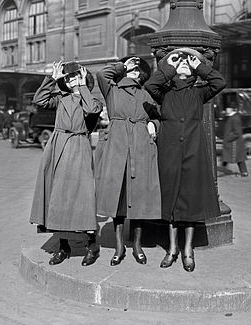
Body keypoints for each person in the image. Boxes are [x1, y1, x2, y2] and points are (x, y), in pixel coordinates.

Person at [145, 48, 226, 272]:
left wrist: (199, 65)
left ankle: (187, 250)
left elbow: (219, 82)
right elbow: (150, 85)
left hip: (193, 150)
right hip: (169, 151)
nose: (182, 65)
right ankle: (172, 249)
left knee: (189, 202)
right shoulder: (165, 92)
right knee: (171, 201)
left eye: (186, 64)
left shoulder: (199, 92)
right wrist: (168, 68)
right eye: (177, 64)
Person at [30, 60, 102, 267]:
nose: (71, 81)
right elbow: (40, 99)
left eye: (75, 77)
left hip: (79, 147)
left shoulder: (91, 99)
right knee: (57, 196)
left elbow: (92, 109)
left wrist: (82, 86)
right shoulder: (61, 99)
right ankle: (63, 247)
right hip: (58, 146)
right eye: (68, 78)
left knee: (81, 197)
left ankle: (91, 246)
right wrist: (51, 79)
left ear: (83, 78)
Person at [95, 56, 161, 266]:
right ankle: (119, 246)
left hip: (140, 147)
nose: (133, 73)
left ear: (141, 75)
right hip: (117, 147)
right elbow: (101, 74)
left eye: (136, 70)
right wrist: (122, 65)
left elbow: (160, 115)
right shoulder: (112, 90)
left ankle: (138, 246)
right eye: (130, 69)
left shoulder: (146, 94)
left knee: (139, 198)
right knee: (118, 199)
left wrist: (154, 125)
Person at [222, 107, 248, 177]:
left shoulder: (235, 118)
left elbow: (237, 132)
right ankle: (243, 171)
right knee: (237, 157)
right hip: (234, 142)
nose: (226, 109)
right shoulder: (232, 117)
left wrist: (228, 138)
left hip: (235, 142)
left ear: (231, 109)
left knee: (239, 158)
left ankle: (244, 172)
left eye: (227, 108)